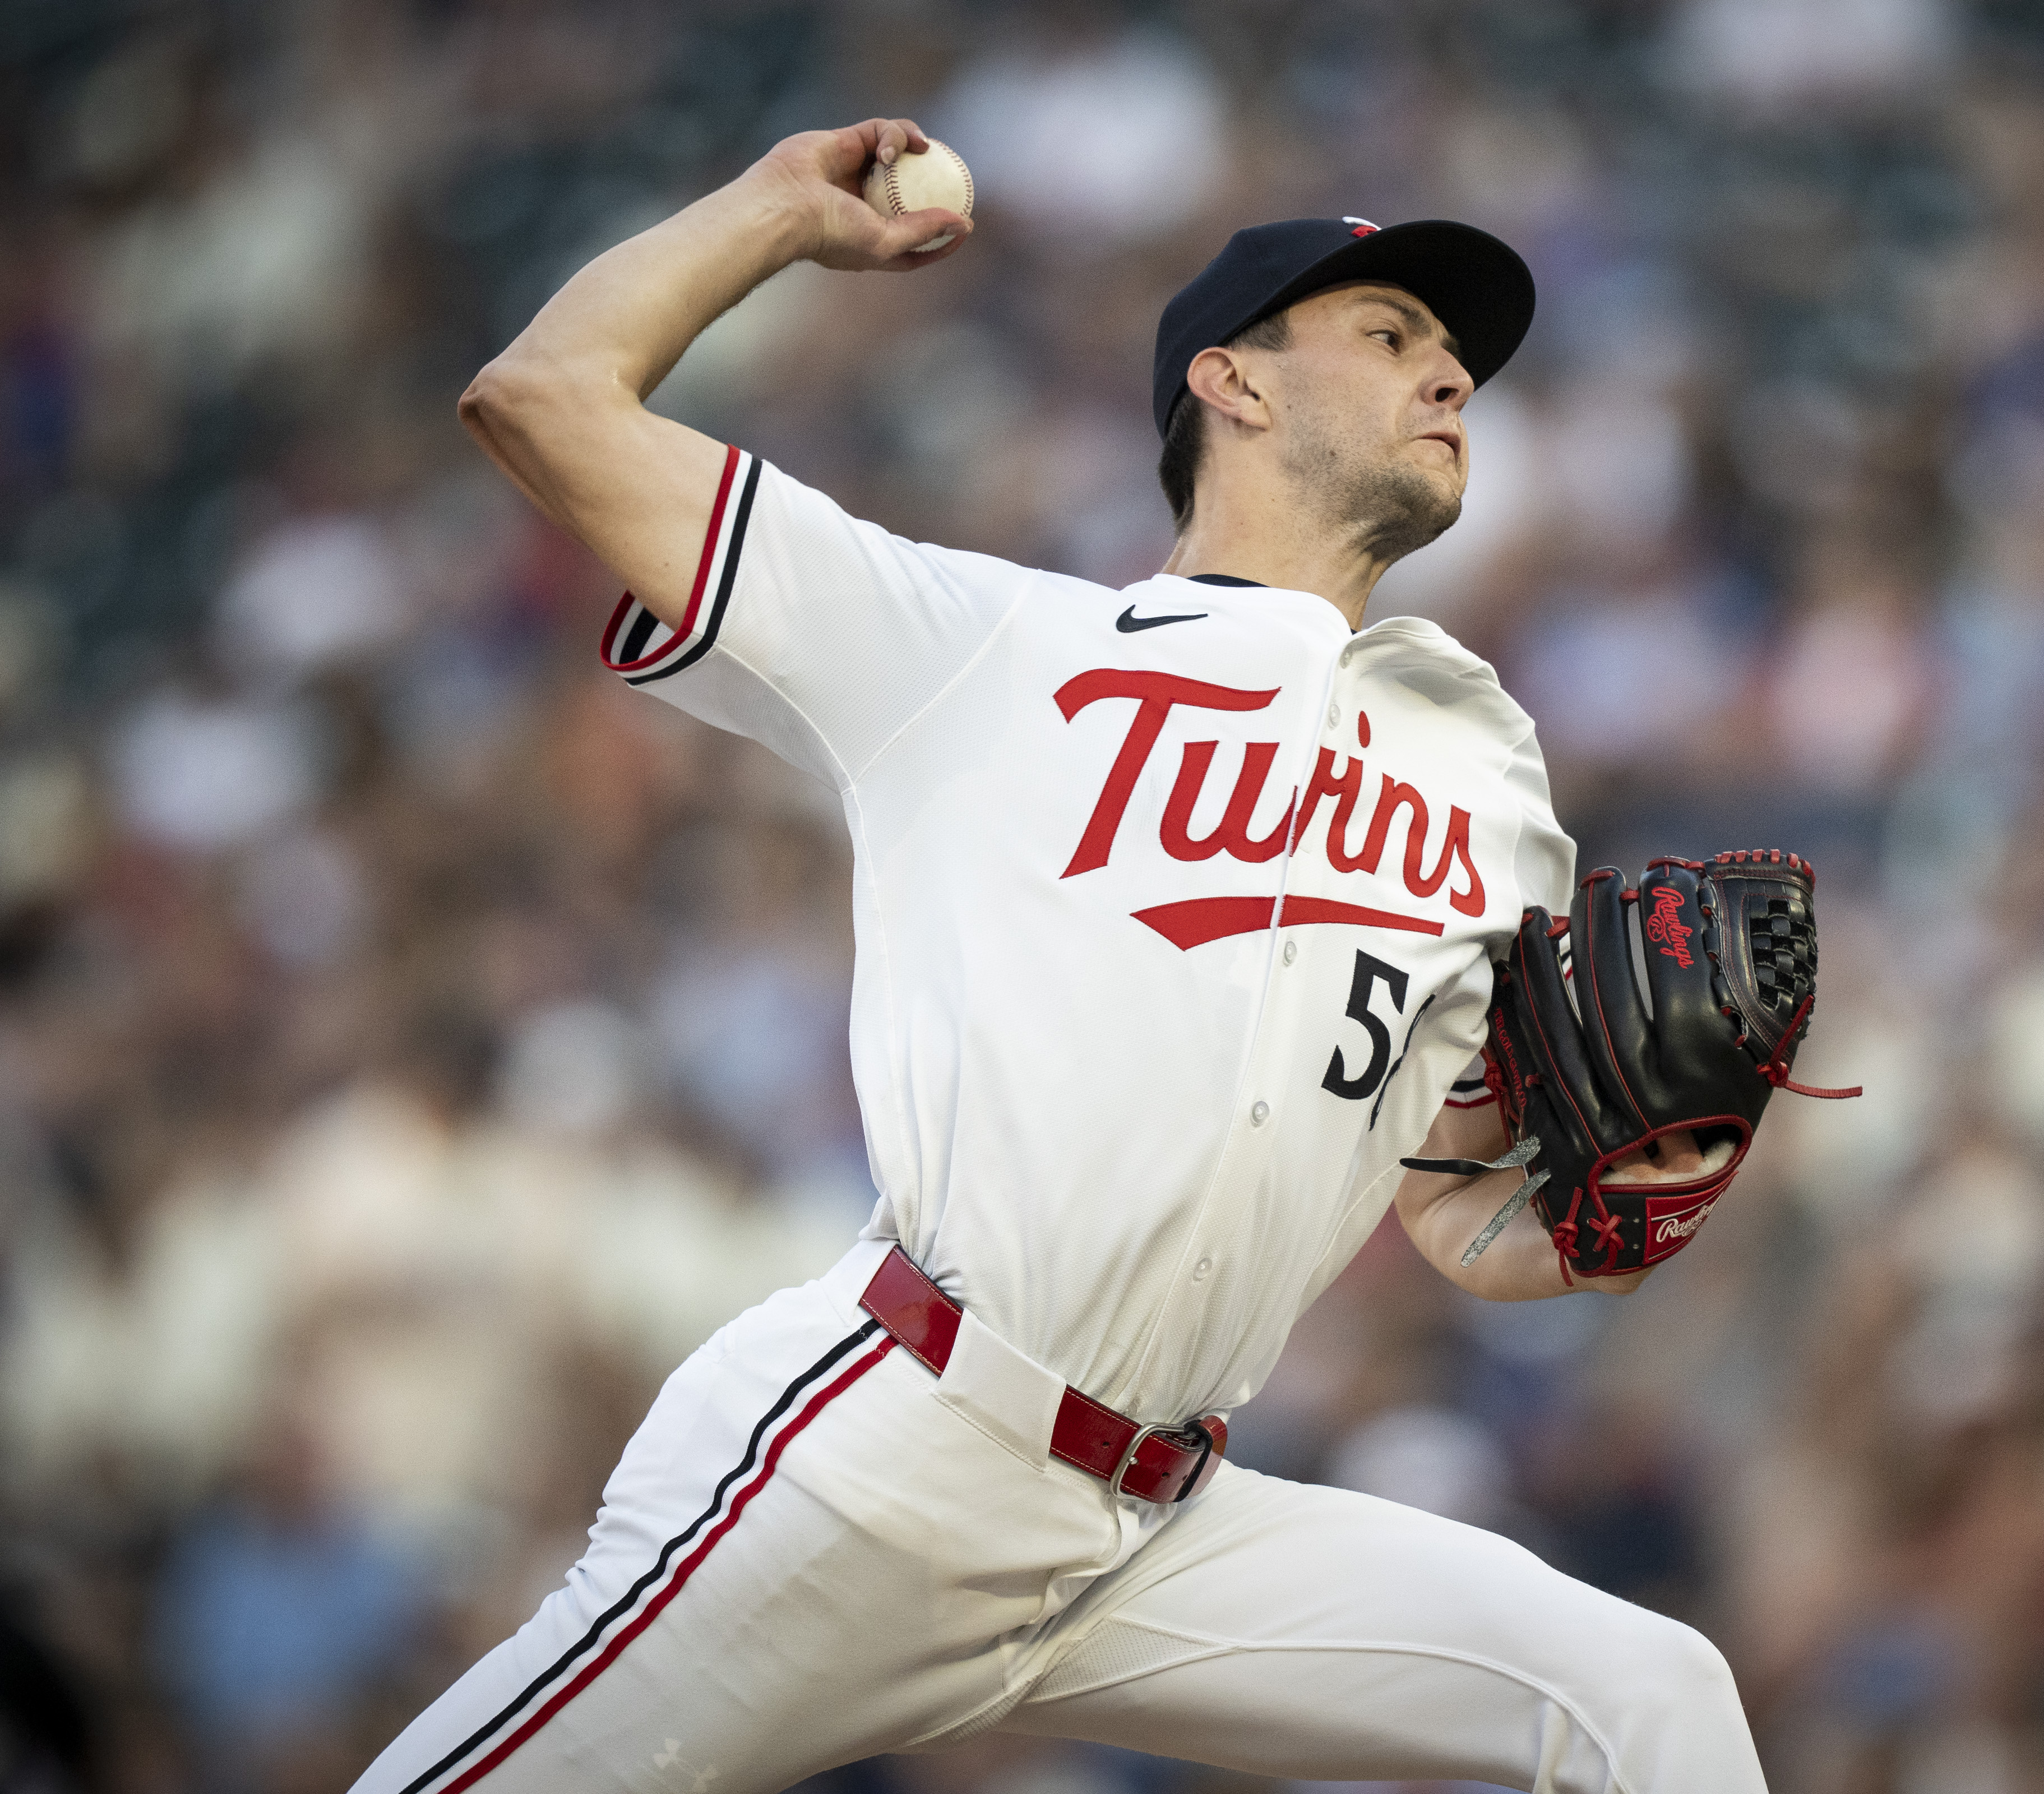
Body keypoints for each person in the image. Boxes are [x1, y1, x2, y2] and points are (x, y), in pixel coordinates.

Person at [356, 117, 1770, 1793]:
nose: (1451, 378)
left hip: (1154, 1534)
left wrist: (1608, 1220)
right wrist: (766, 216)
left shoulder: (1482, 765)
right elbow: (545, 398)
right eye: (1392, 338)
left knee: (1646, 1696)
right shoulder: (979, 647)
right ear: (1233, 385)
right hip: (890, 1458)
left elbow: (1453, 1204)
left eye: (1459, 359)